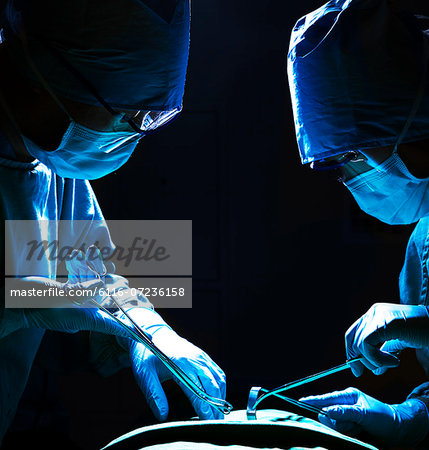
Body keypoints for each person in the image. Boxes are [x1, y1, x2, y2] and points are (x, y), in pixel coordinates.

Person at [0, 0, 226, 445]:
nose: (135, 130)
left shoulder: (54, 169)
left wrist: (145, 328)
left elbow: (98, 285)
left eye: (153, 117)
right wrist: (17, 301)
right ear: (44, 77)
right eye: (129, 112)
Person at [287, 0, 429, 447]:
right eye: (331, 163)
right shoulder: (423, 244)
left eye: (350, 155)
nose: (347, 179)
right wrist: (410, 415)